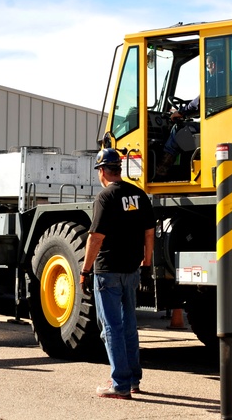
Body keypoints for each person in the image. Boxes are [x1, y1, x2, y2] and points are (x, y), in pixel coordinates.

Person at [79, 149, 155, 399]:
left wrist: (85, 270)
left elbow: (96, 237)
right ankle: (133, 379)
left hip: (108, 271)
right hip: (132, 270)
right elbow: (149, 234)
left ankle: (120, 384)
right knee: (129, 325)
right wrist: (146, 266)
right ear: (118, 170)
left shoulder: (105, 197)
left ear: (102, 171)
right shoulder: (139, 195)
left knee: (110, 326)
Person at [156, 50, 224, 177]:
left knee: (178, 130)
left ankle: (162, 170)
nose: (208, 70)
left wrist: (180, 113)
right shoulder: (230, 79)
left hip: (214, 128)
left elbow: (198, 103)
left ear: (213, 65)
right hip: (221, 124)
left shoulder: (216, 81)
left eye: (208, 66)